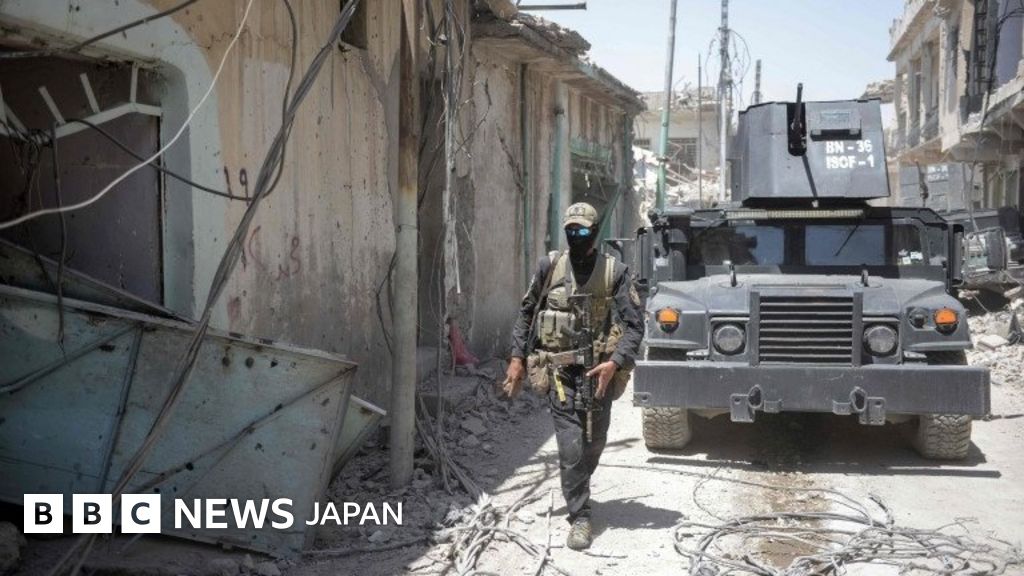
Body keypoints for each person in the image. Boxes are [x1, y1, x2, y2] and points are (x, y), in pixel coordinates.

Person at [503, 202, 644, 550]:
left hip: (600, 373)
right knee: (571, 446)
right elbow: (526, 313)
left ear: (594, 232)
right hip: (560, 374)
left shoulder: (615, 272)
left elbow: (634, 326)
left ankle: (577, 481)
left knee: (594, 444)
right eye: (571, 230)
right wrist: (516, 358)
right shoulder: (549, 267)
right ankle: (580, 516)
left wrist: (615, 363)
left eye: (582, 231)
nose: (576, 236)